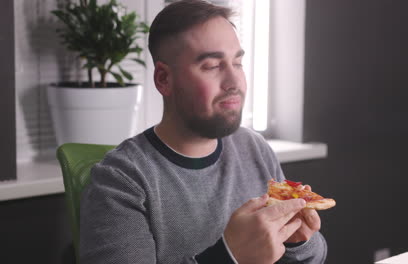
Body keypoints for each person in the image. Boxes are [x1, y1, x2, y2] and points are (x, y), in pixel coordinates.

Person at [79, 0, 327, 263]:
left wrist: (297, 244)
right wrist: (228, 256)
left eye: (238, 63)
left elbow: (309, 256)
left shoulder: (254, 148)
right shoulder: (121, 180)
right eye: (212, 66)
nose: (234, 82)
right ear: (164, 79)